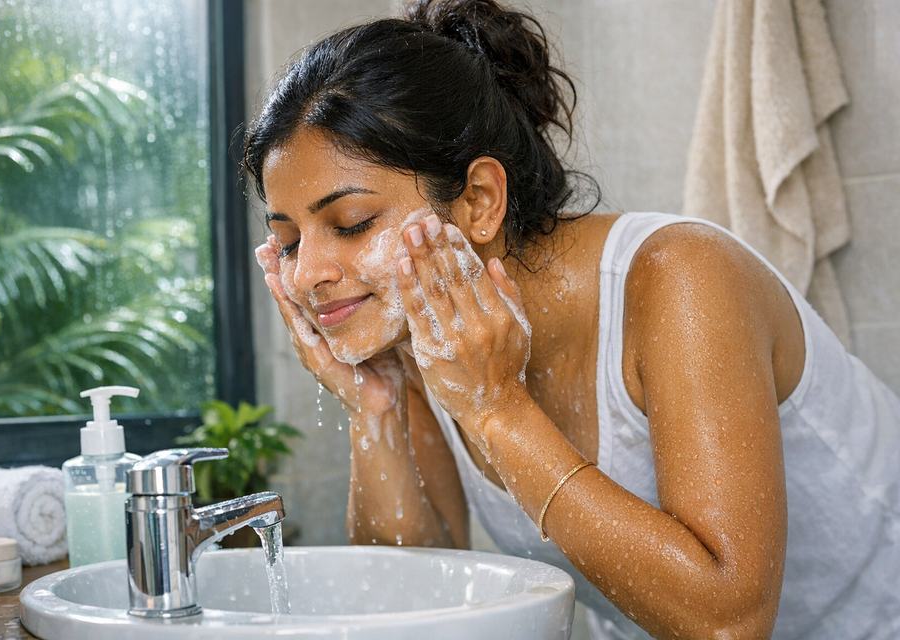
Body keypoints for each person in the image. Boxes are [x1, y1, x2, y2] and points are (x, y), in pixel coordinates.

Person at [242, 1, 900, 637]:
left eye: (351, 224)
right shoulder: (421, 334)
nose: (306, 276)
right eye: (290, 239)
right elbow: (411, 605)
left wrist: (497, 410)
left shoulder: (682, 278)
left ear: (478, 201)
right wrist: (375, 405)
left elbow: (727, 621)